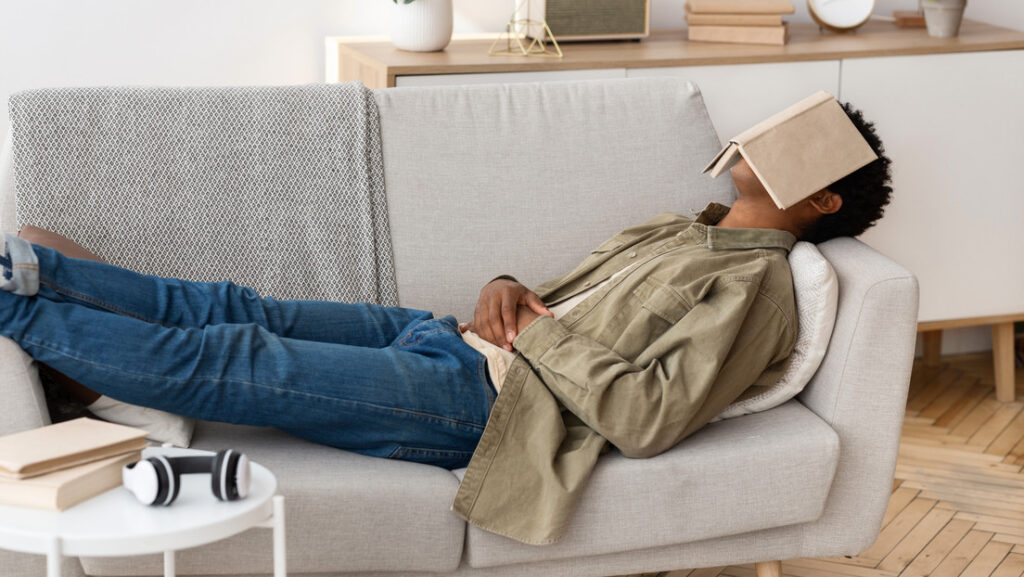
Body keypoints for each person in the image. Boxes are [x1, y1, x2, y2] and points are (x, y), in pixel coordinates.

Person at [0, 103, 892, 544]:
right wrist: (507, 285)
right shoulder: (681, 229)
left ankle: (12, 305)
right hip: (439, 336)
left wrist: (530, 335)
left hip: (483, 402)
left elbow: (648, 417)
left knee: (242, 355)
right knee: (240, 306)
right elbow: (559, 300)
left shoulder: (758, 292)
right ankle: (24, 270)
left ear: (820, 196)